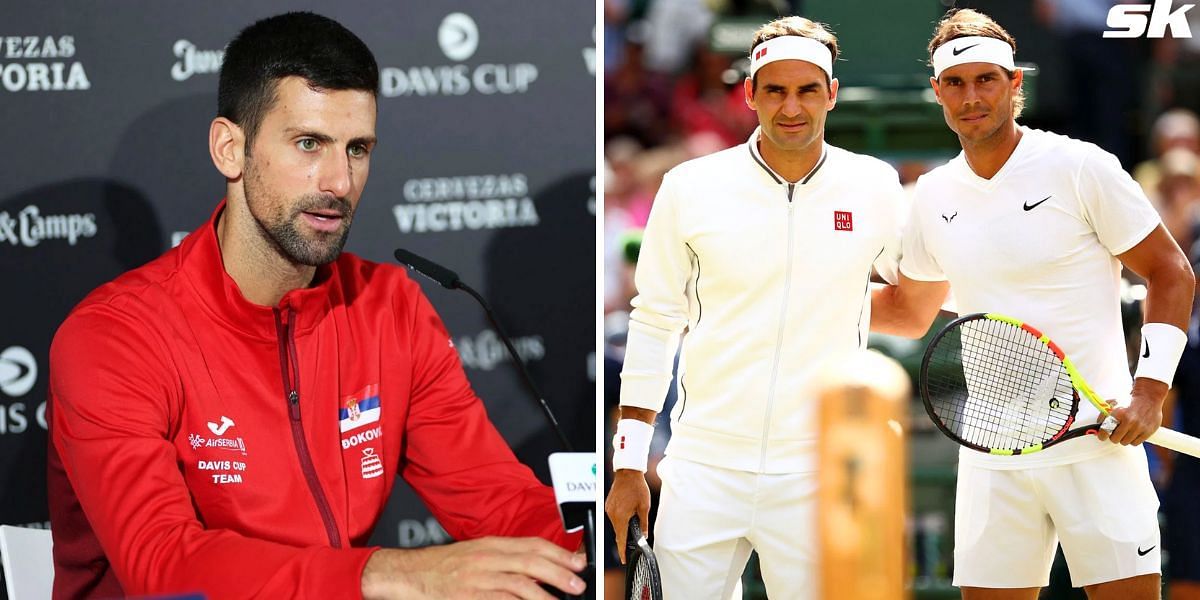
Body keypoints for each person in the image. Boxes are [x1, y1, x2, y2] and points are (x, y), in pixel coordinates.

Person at [46, 12, 584, 600]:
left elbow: (497, 500)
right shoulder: (113, 337)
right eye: (309, 143)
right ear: (231, 149)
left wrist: (596, 559)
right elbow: (164, 567)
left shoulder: (388, 305)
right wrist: (391, 574)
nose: (338, 181)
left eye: (358, 148)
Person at [871, 9, 1195, 599]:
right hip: (994, 458)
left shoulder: (1081, 167)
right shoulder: (933, 196)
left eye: (986, 80)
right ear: (937, 91)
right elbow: (911, 311)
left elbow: (1171, 272)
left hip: (1097, 447)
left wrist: (1150, 391)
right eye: (956, 83)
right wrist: (800, 295)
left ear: (1016, 82)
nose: (972, 97)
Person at [604, 16, 907, 599]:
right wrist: (628, 462)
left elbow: (919, 296)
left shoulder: (875, 185)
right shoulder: (690, 185)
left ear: (832, 94)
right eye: (775, 90)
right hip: (702, 468)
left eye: (807, 90)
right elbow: (655, 319)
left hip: (820, 471)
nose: (791, 107)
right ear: (749, 94)